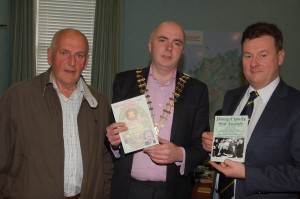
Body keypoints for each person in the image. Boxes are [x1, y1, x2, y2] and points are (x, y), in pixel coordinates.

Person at [0, 28, 113, 199]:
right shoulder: (17, 97)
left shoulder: (100, 103)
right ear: (49, 55)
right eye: (64, 53)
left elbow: (106, 160)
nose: (72, 62)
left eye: (79, 55)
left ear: (86, 61)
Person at [106, 21, 210, 199]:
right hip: (128, 189)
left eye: (176, 43)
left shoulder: (197, 90)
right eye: (163, 40)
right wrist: (114, 142)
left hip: (173, 191)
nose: (169, 48)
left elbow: (202, 145)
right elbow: (112, 135)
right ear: (150, 45)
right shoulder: (124, 82)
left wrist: (179, 154)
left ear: (182, 51)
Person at [202, 22, 300, 198]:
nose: (254, 63)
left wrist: (248, 173)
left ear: (280, 57)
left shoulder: (296, 105)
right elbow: (234, 149)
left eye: (262, 55)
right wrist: (215, 144)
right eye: (248, 56)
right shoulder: (232, 97)